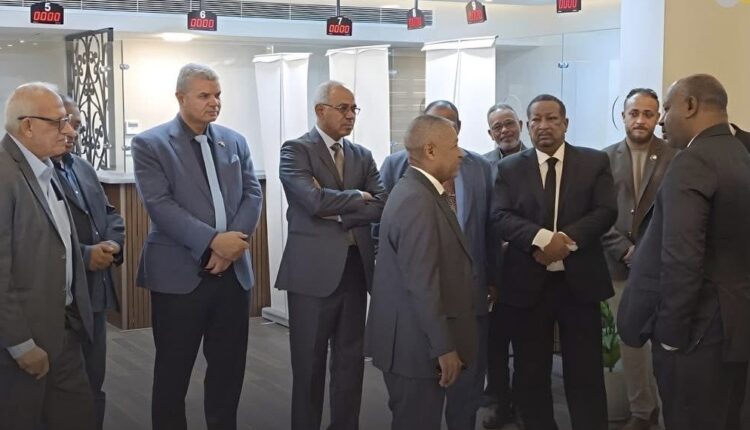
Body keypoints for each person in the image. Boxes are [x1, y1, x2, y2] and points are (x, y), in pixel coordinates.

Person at [131, 63, 263, 430]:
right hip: (180, 275)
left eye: (217, 95)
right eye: (204, 95)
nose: (214, 102)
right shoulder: (151, 144)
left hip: (233, 275)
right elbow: (160, 205)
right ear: (181, 97)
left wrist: (232, 245)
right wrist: (213, 243)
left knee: (228, 370)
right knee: (173, 373)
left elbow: (253, 193)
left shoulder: (234, 141)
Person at [617, 74, 750, 430]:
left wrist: (671, 336)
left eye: (667, 108)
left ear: (690, 106)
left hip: (697, 335)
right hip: (735, 327)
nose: (662, 120)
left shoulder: (693, 161)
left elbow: (681, 257)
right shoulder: (741, 153)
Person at [491, 94, 616, 430]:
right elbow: (500, 215)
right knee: (531, 372)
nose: (543, 126)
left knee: (585, 372)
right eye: (536, 119)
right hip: (528, 285)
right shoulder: (509, 168)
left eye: (551, 119)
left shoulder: (593, 162)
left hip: (580, 285)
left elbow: (606, 211)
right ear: (527, 125)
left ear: (565, 123)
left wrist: (564, 241)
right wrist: (543, 239)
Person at [276, 80, 386, 430]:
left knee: (350, 362)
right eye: (343, 108)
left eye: (354, 109)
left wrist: (338, 210)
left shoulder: (362, 155)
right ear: (320, 110)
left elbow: (381, 204)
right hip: (312, 274)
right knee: (308, 364)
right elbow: (312, 201)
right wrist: (358, 197)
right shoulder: (295, 150)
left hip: (355, 271)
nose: (350, 115)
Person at [379, 100, 493, 429]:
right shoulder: (417, 200)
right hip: (417, 346)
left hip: (421, 338)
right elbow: (422, 284)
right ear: (430, 150)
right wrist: (444, 347)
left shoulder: (422, 192)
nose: (461, 153)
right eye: (453, 146)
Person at [0, 82, 95, 429]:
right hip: (23, 345)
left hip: (64, 332)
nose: (69, 131)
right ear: (27, 126)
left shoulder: (45, 168)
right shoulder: (4, 175)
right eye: (58, 122)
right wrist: (20, 344)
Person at [601, 88, 676, 430]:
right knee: (629, 343)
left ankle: (668, 411)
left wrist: (644, 254)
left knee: (664, 344)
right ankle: (642, 411)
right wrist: (623, 249)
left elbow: (677, 216)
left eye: (648, 113)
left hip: (661, 268)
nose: (641, 120)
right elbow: (598, 214)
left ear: (658, 117)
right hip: (617, 266)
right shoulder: (603, 159)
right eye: (634, 113)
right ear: (623, 117)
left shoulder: (676, 157)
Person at [51, 95, 125, 430]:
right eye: (64, 123)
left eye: (77, 125)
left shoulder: (82, 167)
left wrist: (113, 243)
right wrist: (85, 254)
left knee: (94, 381)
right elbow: (40, 238)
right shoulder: (32, 175)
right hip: (59, 301)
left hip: (95, 294)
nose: (72, 132)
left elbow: (109, 214)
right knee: (62, 391)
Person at [482, 103, 526, 429]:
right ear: (490, 133)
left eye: (509, 123)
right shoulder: (481, 167)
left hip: (530, 266)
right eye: (497, 127)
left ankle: (525, 404)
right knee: (494, 345)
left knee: (527, 346)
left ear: (520, 124)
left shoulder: (537, 160)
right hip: (494, 270)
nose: (505, 131)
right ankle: (501, 402)